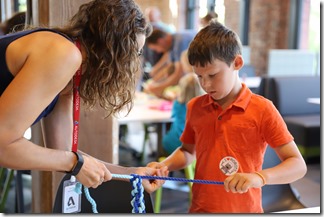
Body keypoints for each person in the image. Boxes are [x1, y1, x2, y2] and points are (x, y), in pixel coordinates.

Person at [0, 0, 168, 192]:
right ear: (114, 49)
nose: (134, 62)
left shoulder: (71, 74)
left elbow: (63, 152)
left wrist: (130, 174)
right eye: (135, 52)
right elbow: (3, 146)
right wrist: (75, 163)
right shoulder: (62, 53)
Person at [147, 20, 307, 213]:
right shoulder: (195, 106)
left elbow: (297, 165)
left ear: (237, 63)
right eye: (199, 76)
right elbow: (188, 152)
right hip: (200, 209)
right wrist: (164, 166)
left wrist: (260, 177)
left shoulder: (263, 109)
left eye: (213, 75)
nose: (205, 85)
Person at [162, 53, 203, 154]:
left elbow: (173, 116)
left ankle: (164, 162)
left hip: (175, 143)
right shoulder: (205, 106)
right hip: (197, 146)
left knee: (166, 138)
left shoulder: (178, 104)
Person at [143, 28, 196, 98]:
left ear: (160, 41)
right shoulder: (171, 45)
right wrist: (154, 81)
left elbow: (178, 74)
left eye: (156, 49)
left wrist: (157, 88)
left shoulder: (179, 41)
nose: (158, 52)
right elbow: (169, 68)